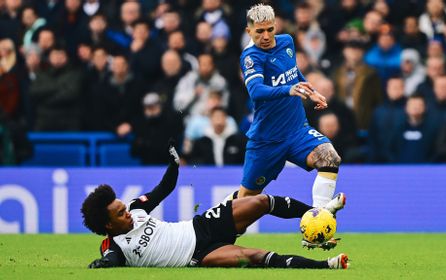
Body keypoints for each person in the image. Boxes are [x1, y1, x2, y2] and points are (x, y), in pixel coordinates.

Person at [81, 142, 348, 269]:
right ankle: (327, 265)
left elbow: (163, 190)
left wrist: (173, 166)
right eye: (120, 213)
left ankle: (319, 214)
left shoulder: (136, 209)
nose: (127, 212)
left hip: (202, 225)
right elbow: (109, 260)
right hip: (199, 256)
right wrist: (99, 264)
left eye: (123, 207)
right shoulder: (116, 247)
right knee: (258, 257)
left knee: (261, 201)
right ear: (108, 225)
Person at [236, 4, 341, 209]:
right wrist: (289, 90)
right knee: (245, 204)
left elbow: (293, 73)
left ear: (276, 26)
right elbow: (256, 91)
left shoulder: (287, 42)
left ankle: (319, 216)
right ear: (249, 31)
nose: (266, 36)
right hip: (267, 140)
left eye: (270, 29)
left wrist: (310, 92)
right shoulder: (251, 58)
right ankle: (217, 235)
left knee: (330, 158)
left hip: (297, 131)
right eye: (259, 31)